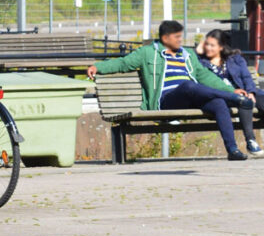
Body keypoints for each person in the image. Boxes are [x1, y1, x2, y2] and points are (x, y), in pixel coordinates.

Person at [86, 21, 255, 160]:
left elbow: (205, 76)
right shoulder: (148, 53)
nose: (180, 40)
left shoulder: (187, 54)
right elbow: (123, 63)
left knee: (218, 103)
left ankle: (232, 150)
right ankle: (235, 100)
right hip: (167, 100)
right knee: (187, 86)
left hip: (193, 95)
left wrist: (231, 90)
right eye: (176, 37)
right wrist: (98, 67)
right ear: (165, 38)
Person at [195, 29, 264, 156]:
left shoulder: (235, 58)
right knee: (244, 101)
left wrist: (251, 92)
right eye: (207, 44)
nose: (208, 48)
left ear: (221, 47)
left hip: (245, 92)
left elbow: (246, 77)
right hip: (223, 96)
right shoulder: (201, 62)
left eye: (212, 45)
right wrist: (198, 49)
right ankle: (251, 141)